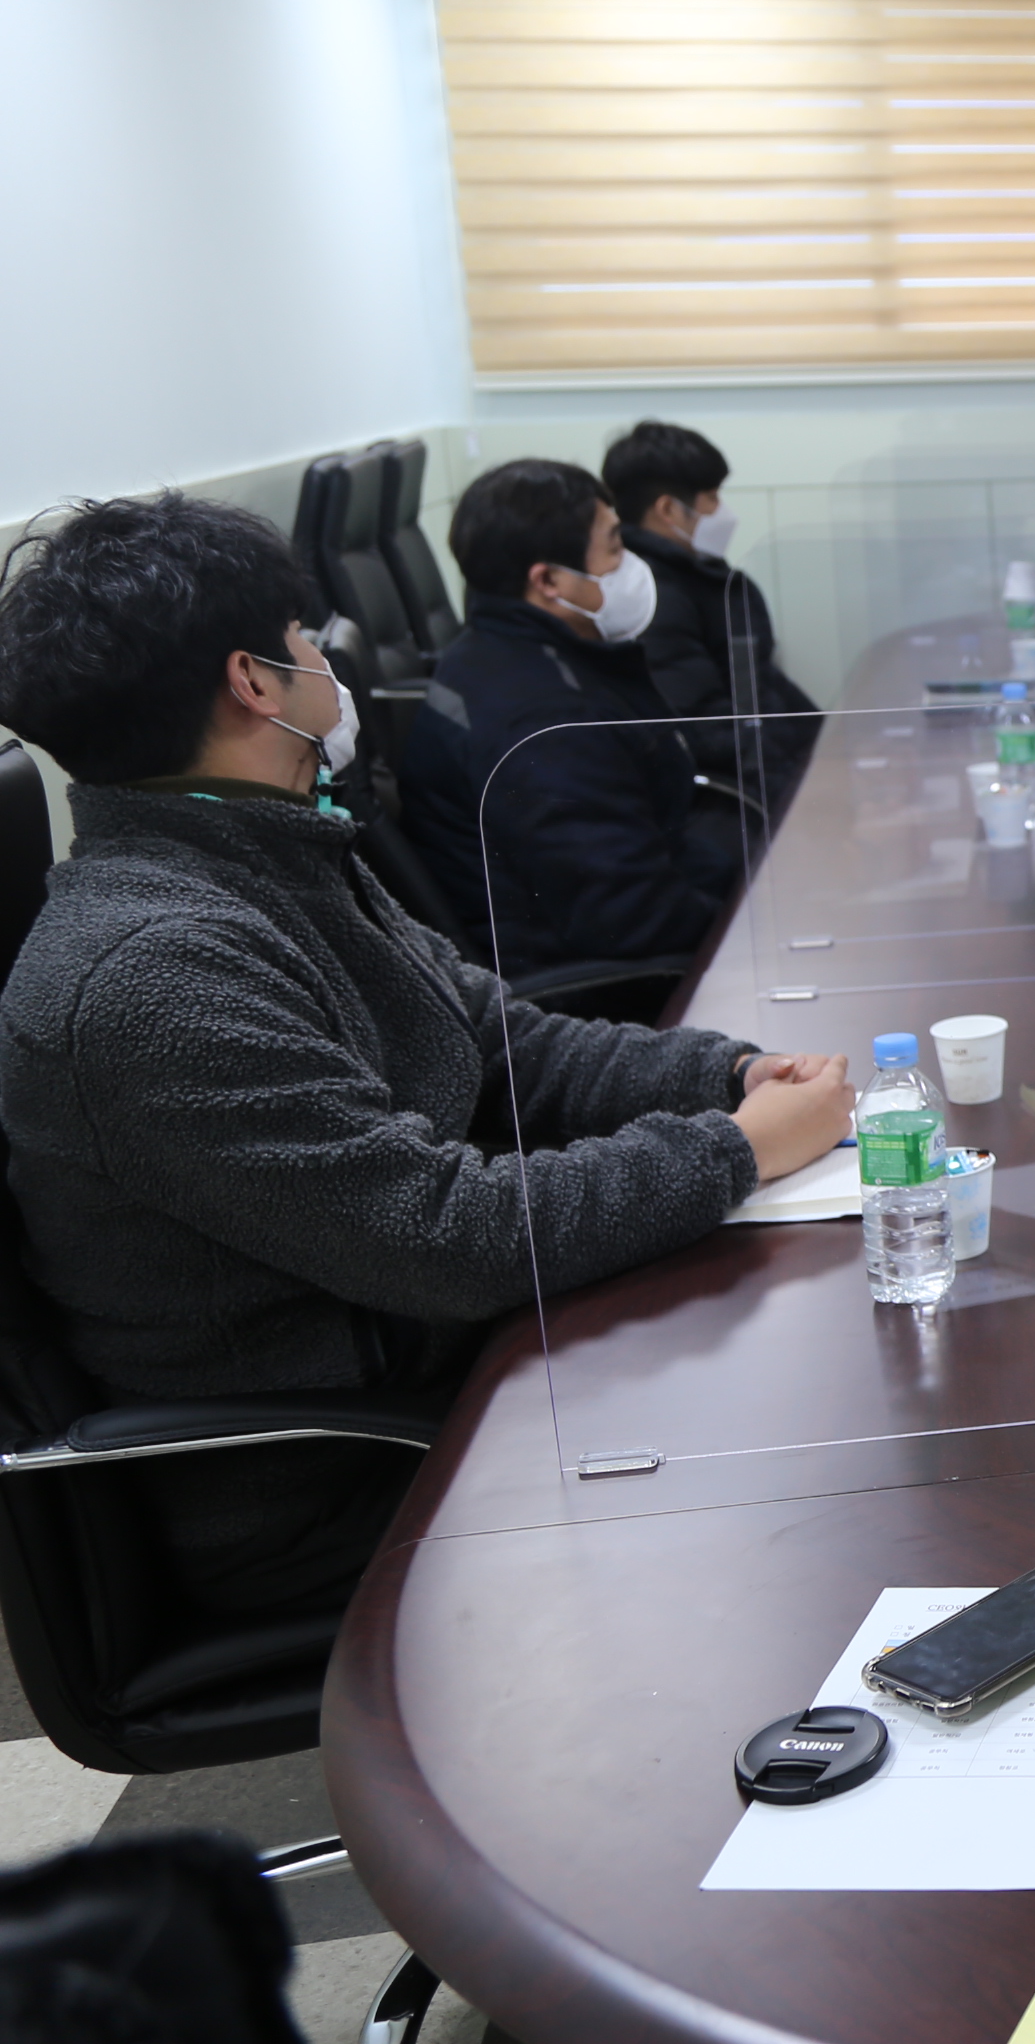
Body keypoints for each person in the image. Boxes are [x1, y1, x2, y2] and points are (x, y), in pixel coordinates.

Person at [0, 493, 851, 1617]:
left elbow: (504, 1042)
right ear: (254, 681)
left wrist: (729, 1077)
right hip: (338, 1483)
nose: (323, 657)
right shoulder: (153, 978)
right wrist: (735, 1151)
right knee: (809, 1479)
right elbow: (448, 1237)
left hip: (445, 1368)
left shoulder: (266, 851)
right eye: (301, 637)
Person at [400, 459, 742, 977]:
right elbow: (631, 917)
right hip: (601, 988)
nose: (630, 565)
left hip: (622, 928)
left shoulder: (502, 651)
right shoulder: (550, 722)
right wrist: (749, 927)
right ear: (549, 580)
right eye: (614, 549)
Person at [600, 418, 817, 808]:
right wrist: (804, 797)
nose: (723, 512)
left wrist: (832, 749)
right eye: (712, 498)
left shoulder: (701, 576)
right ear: (668, 509)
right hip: (743, 797)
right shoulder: (652, 597)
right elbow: (710, 726)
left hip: (771, 771)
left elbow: (761, 685)